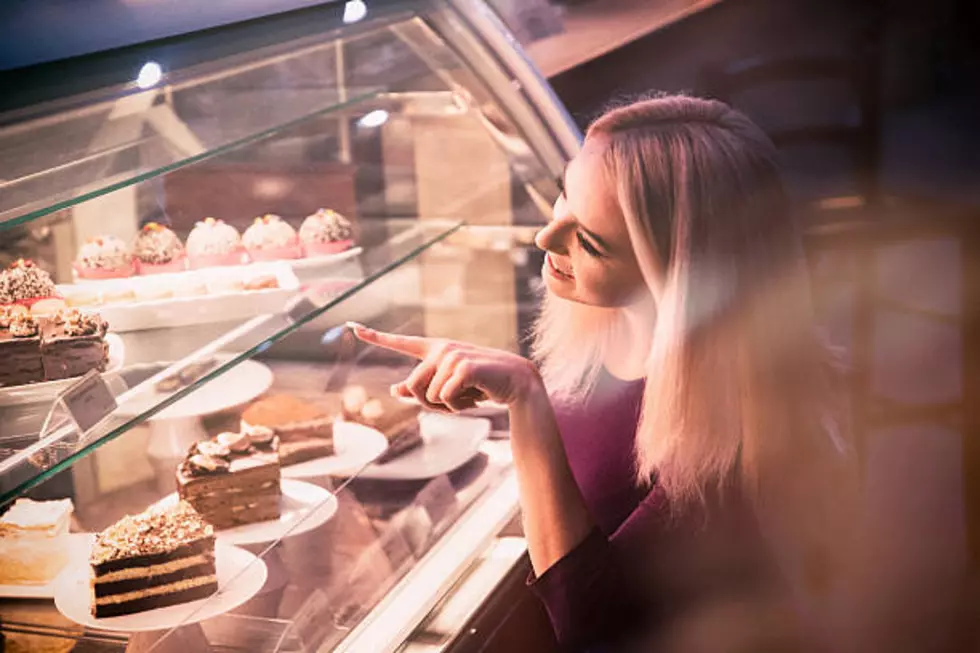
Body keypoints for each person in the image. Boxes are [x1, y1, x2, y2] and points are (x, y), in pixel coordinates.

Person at [351, 94, 858, 652]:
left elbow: (595, 626)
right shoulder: (608, 326)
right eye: (562, 197)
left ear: (679, 272)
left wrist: (524, 399)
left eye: (589, 242)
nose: (544, 239)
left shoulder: (737, 428)